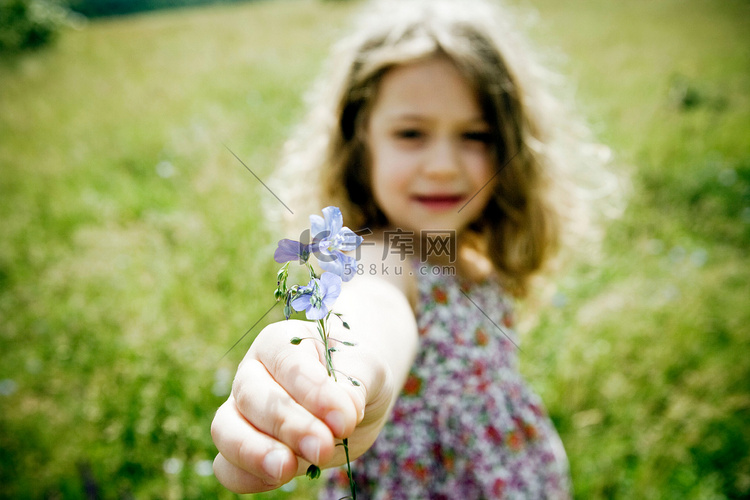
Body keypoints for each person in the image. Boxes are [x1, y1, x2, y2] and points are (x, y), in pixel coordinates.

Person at [212, 0, 604, 497]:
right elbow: (374, 307)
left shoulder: (473, 255)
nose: (443, 164)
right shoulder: (383, 253)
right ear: (360, 142)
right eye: (411, 133)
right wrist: (348, 369)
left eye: (474, 135)